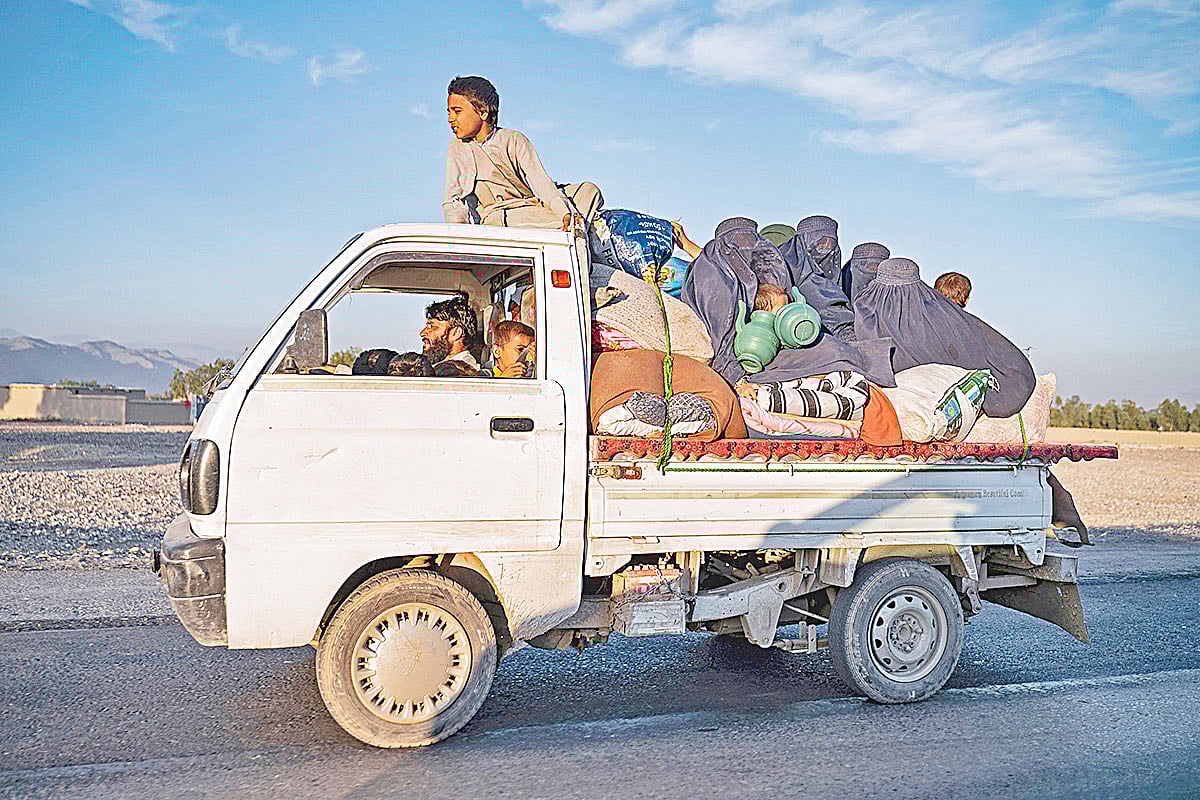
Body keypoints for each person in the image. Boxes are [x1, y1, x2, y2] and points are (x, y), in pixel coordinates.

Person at [442, 76, 601, 231]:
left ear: (483, 112)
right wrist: (459, 239)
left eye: (457, 111)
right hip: (501, 218)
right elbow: (454, 201)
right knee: (575, 220)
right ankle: (570, 229)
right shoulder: (458, 147)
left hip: (531, 209)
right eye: (449, 112)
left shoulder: (514, 139)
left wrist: (564, 212)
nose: (450, 119)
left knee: (589, 191)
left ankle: (569, 225)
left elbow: (541, 183)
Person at [420, 296, 481, 377]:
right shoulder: (442, 365)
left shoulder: (460, 372)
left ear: (456, 333)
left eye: (432, 326)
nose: (422, 333)